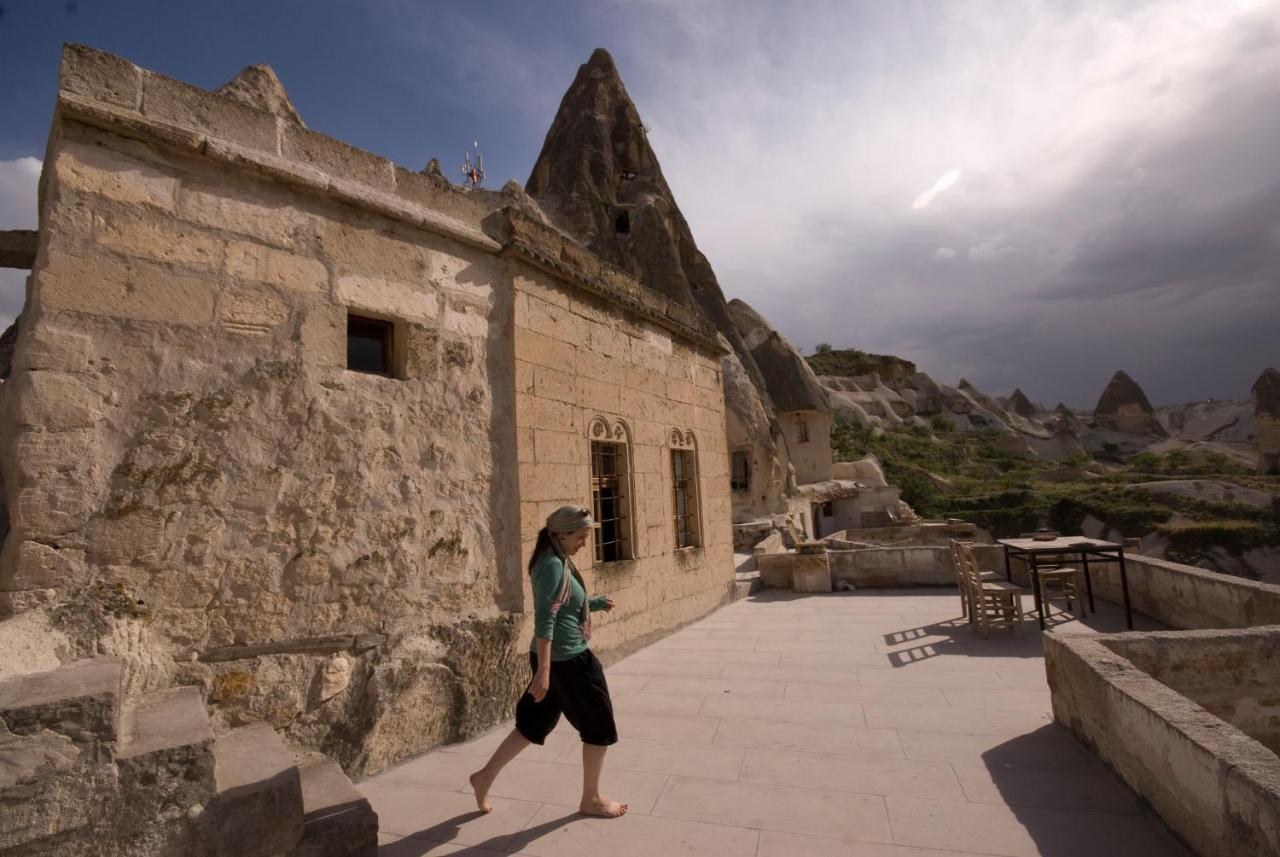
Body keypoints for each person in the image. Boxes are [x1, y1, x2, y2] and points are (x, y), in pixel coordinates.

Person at [469, 505, 627, 818]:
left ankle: (483, 777)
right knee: (599, 726)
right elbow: (546, 618)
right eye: (581, 537)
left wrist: (594, 603)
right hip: (568, 662)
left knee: (533, 725)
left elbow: (563, 603)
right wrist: (544, 671)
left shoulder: (555, 559)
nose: (584, 542)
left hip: (555, 660)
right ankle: (592, 799)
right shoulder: (552, 564)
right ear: (562, 534)